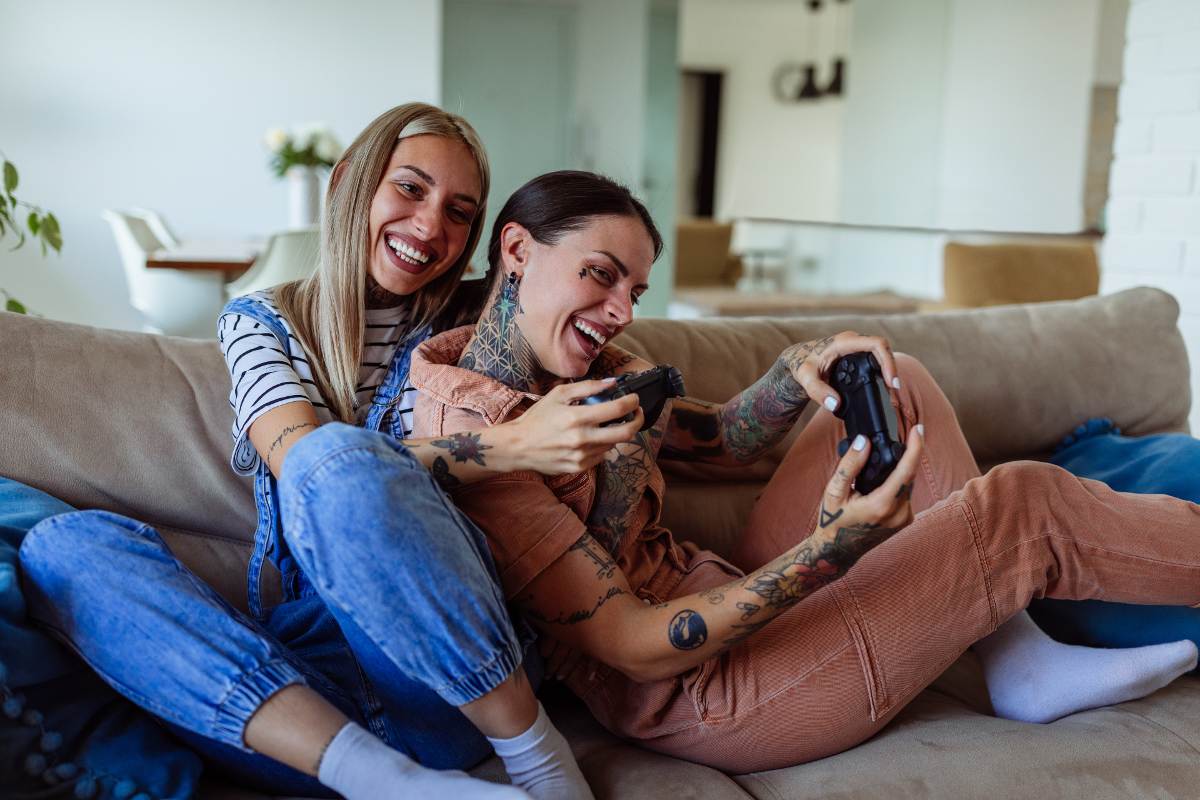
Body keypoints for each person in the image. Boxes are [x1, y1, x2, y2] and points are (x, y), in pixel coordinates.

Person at [407, 169, 1200, 773]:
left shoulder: (580, 365)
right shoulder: (484, 442)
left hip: (722, 589)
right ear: (517, 250)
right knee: (1023, 505)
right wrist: (833, 551)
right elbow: (637, 647)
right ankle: (1012, 630)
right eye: (602, 274)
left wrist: (796, 369)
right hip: (704, 693)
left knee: (896, 380)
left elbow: (717, 441)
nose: (621, 310)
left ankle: (1012, 653)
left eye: (635, 290)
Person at [20, 105, 644, 800]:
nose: (432, 226)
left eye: (460, 212)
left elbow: (591, 321)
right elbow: (300, 461)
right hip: (299, 701)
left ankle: (537, 758)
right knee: (60, 549)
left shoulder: (487, 322)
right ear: (349, 182)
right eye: (410, 189)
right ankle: (390, 783)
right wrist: (507, 445)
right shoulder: (261, 322)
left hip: (448, 677)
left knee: (337, 464)